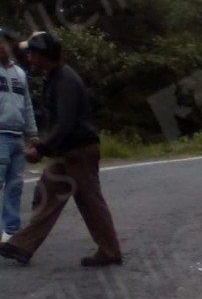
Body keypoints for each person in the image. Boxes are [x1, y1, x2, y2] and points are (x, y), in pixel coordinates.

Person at [0, 32, 122, 267]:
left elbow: (65, 122)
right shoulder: (55, 77)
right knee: (46, 194)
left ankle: (110, 251)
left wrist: (42, 149)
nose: (29, 56)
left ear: (41, 54)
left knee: (90, 201)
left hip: (79, 151)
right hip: (68, 151)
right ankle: (22, 245)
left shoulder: (65, 79)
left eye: (32, 52)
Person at [0, 27, 38, 242]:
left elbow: (28, 105)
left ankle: (11, 231)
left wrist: (33, 135)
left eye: (5, 42)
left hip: (17, 136)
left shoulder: (20, 73)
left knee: (15, 185)